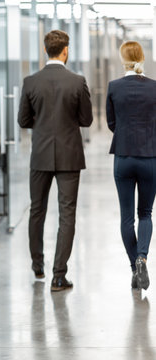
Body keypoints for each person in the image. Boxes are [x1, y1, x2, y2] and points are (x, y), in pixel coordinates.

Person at [18, 30, 93, 291]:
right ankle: (59, 276)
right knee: (66, 214)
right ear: (65, 50)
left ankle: (37, 265)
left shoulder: (30, 82)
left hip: (39, 155)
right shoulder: (77, 81)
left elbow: (23, 121)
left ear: (45, 50)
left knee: (36, 210)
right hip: (70, 155)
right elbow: (86, 120)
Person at [106, 41, 156, 290]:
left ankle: (134, 268)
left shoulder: (114, 87)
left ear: (122, 59)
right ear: (142, 58)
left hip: (123, 157)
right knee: (145, 213)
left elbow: (111, 123)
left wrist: (127, 132)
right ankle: (142, 258)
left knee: (127, 217)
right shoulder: (155, 88)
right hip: (149, 157)